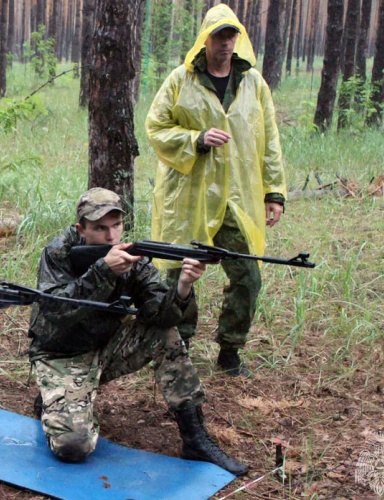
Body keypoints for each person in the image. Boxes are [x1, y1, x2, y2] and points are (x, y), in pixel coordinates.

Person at [27, 188, 248, 476]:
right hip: (59, 354)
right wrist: (103, 271)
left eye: (116, 226)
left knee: (166, 333)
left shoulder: (133, 257)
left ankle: (195, 437)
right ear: (81, 229)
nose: (111, 237)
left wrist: (183, 287)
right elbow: (56, 312)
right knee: (74, 447)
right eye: (100, 228)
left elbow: (159, 315)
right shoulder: (59, 253)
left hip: (105, 346)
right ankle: (55, 399)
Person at [146, 4, 287, 377]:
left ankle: (230, 350)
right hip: (189, 196)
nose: (226, 43)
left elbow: (269, 140)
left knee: (247, 276)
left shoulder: (253, 83)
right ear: (205, 39)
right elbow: (156, 127)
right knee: (180, 274)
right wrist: (196, 139)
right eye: (219, 35)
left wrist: (273, 192)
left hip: (236, 199)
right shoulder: (181, 79)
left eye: (231, 35)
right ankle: (180, 345)